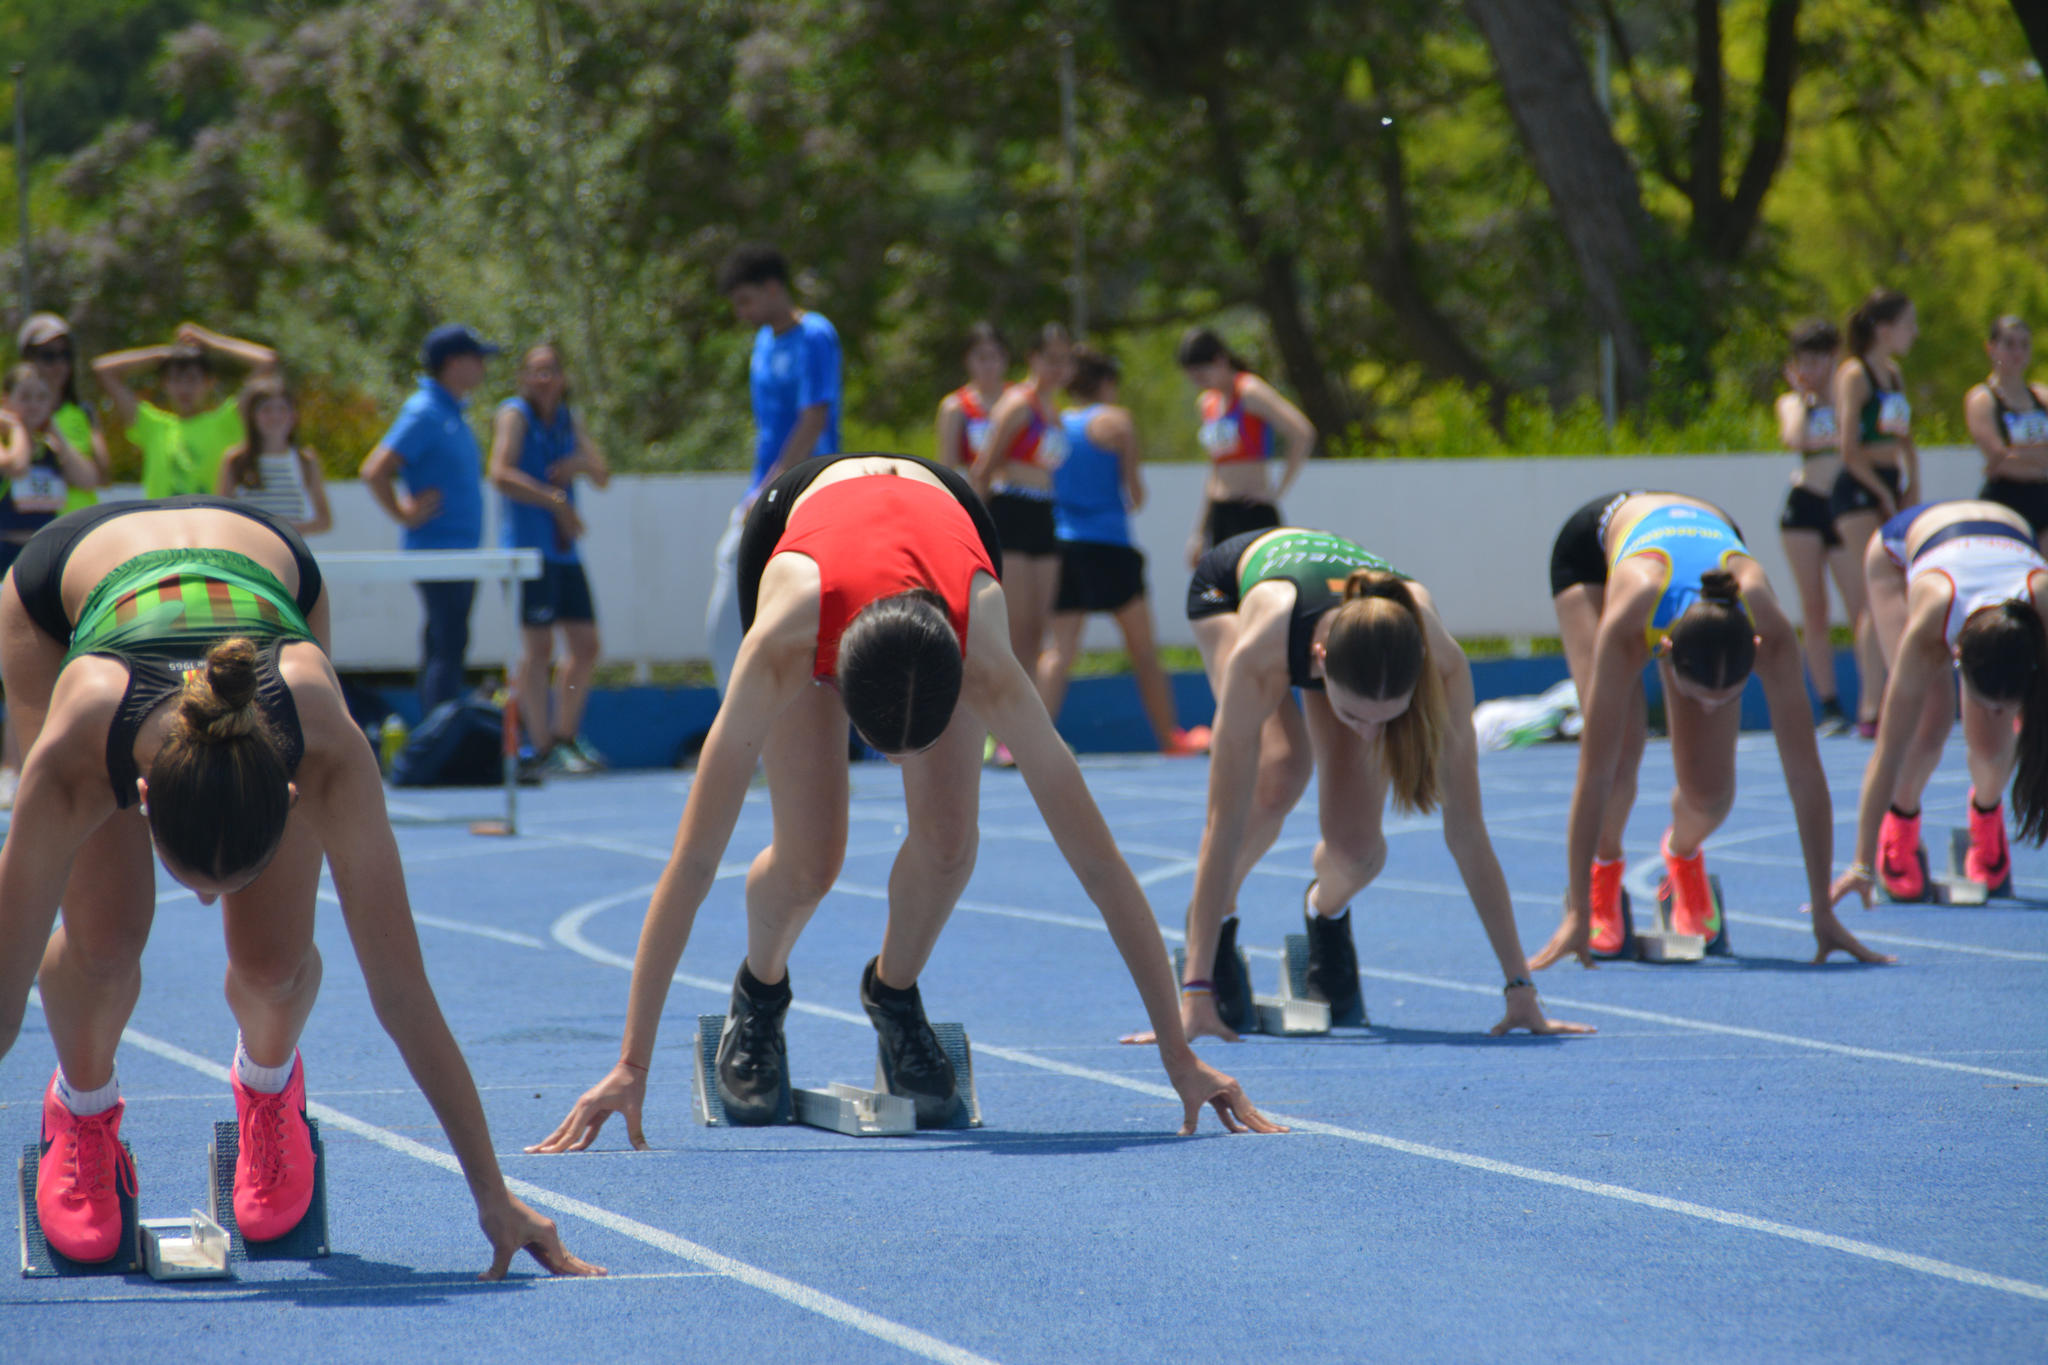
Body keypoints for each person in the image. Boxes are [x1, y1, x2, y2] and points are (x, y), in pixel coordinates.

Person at [529, 453, 1280, 1152]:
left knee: (949, 841)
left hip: (946, 520)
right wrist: (631, 1064)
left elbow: (1100, 864)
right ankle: (759, 992)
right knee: (810, 860)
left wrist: (1179, 1058)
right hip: (799, 526)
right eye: (884, 749)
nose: (899, 766)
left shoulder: (987, 655)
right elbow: (694, 860)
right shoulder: (784, 644)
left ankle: (892, 994)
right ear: (832, 681)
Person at [0, 496, 597, 1279]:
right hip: (58, 596)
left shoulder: (321, 738)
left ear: (290, 795)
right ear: (139, 796)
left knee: (272, 958)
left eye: (224, 881)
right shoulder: (79, 747)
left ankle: (269, 1085)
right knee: (105, 939)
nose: (207, 902)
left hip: (270, 571)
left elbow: (402, 991)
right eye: (196, 880)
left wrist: (495, 1194)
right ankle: (81, 1109)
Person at [1154, 525, 1589, 1042]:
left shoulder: (1442, 661)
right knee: (1283, 768)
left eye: (1388, 719)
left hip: (1335, 627)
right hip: (1230, 590)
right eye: (1353, 716)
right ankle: (1214, 920)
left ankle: (1323, 913)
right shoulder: (1260, 653)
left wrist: (1521, 988)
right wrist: (1195, 991)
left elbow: (1468, 832)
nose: (1369, 734)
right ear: (1321, 664)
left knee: (1358, 853)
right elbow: (1221, 823)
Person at [1533, 492, 1890, 969]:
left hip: (1706, 550)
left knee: (1710, 793)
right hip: (1594, 553)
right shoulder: (1629, 621)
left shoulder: (1772, 632)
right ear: (1663, 649)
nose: (1709, 708)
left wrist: (1823, 913)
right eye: (1698, 696)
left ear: (1754, 648)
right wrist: (1578, 913)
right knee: (1617, 760)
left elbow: (1806, 777)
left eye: (1725, 698)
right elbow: (1591, 774)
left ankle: (1682, 856)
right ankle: (1605, 870)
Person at [1830, 501, 2048, 905]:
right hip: (1899, 550)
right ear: (1956, 656)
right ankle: (1901, 821)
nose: (1997, 711)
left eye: (2008, 705)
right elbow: (1888, 751)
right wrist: (1860, 863)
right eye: (1987, 700)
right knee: (1928, 721)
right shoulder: (1931, 618)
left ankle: (1986, 815)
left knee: (1991, 746)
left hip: (2007, 529)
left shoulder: (2042, 608)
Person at [1033, 348, 1208, 757]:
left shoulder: (1054, 421)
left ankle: (1028, 743)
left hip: (1064, 545)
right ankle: (1170, 738)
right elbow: (1135, 494)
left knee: (1059, 650)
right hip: (1110, 545)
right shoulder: (1117, 422)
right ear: (1107, 382)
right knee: (1144, 652)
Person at [705, 244, 842, 694]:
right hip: (766, 488)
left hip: (805, 488)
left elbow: (813, 418)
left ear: (772, 288)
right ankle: (745, 715)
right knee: (736, 609)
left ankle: (767, 719)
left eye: (746, 300)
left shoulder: (814, 335)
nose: (741, 313)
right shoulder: (764, 341)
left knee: (801, 609)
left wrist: (768, 489)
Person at [487, 343, 611, 774]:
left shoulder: (567, 419)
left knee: (585, 645)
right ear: (523, 377)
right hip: (527, 552)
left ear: (563, 377)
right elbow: (499, 473)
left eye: (551, 370)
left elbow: (602, 475)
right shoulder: (514, 415)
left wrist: (578, 462)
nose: (544, 379)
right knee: (538, 647)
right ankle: (540, 745)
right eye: (536, 371)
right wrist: (554, 501)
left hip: (563, 552)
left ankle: (565, 735)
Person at [360, 325, 497, 715]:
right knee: (448, 640)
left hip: (458, 550)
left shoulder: (448, 410)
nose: (482, 367)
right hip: (439, 550)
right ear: (452, 363)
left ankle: (440, 725)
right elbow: (375, 470)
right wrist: (402, 513)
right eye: (476, 358)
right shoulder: (425, 412)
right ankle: (441, 727)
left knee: (446, 641)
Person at [0, 364, 102, 807]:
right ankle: (10, 766)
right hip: (5, 556)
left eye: (43, 398)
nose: (35, 406)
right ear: (7, 400)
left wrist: (57, 434)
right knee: (11, 666)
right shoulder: (10, 440)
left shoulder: (51, 444)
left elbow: (89, 478)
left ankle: (31, 764)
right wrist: (15, 427)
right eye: (25, 396)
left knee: (47, 661)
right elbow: (16, 465)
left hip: (43, 559)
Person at [1831, 289, 1920, 738]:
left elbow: (1903, 438)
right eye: (1908, 324)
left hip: (1890, 482)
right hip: (1859, 488)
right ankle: (1870, 704)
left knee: (1899, 589)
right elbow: (1848, 448)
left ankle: (1894, 694)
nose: (1914, 333)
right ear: (1884, 329)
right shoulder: (1855, 374)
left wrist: (1911, 482)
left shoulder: (1894, 374)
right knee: (1874, 594)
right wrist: (1882, 494)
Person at [1773, 319, 1854, 734]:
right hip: (1805, 505)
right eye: (1804, 361)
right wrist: (1806, 399)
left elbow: (1858, 438)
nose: (1812, 369)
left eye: (1819, 360)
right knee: (1814, 608)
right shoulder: (1793, 402)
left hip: (1845, 506)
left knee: (1860, 605)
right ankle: (1829, 704)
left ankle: (1878, 697)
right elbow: (1794, 437)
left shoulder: (1849, 394)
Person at [1176, 328, 1316, 568]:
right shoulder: (1208, 402)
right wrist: (1199, 531)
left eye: (1202, 374)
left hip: (1251, 509)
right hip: (1221, 512)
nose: (1200, 383)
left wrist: (1277, 491)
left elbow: (1302, 432)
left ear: (1220, 360)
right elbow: (1215, 470)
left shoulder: (1249, 391)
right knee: (1222, 587)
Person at [92, 321, 278, 499]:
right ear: (164, 384)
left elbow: (266, 361)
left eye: (192, 379)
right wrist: (164, 354)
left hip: (210, 519)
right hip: (163, 520)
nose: (184, 389)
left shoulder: (226, 422)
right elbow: (104, 370)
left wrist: (210, 342)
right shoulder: (152, 426)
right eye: (175, 380)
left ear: (209, 383)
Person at [215, 374, 334, 538]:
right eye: (266, 410)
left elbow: (324, 520)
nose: (275, 417)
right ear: (252, 416)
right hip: (248, 547)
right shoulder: (236, 460)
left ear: (293, 415)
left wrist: (287, 529)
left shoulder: (304, 460)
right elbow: (220, 515)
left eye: (282, 409)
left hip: (288, 548)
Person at [16, 313, 111, 511]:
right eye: (48, 356)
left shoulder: (83, 413)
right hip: (28, 527)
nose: (59, 364)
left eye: (65, 355)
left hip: (78, 524)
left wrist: (52, 430)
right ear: (27, 360)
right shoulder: (10, 418)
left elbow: (100, 478)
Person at [1968, 316, 2048, 548]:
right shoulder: (1982, 398)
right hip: (2006, 501)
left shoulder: (2041, 396)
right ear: (1991, 348)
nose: (2017, 352)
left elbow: (2008, 455)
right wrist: (2041, 459)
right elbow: (1998, 458)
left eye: (2024, 345)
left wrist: (2019, 454)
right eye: (2010, 344)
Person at [935, 322, 1010, 474]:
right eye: (981, 358)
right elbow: (947, 465)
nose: (989, 365)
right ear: (967, 360)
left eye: (994, 357)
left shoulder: (1019, 400)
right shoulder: (955, 407)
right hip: (972, 485)